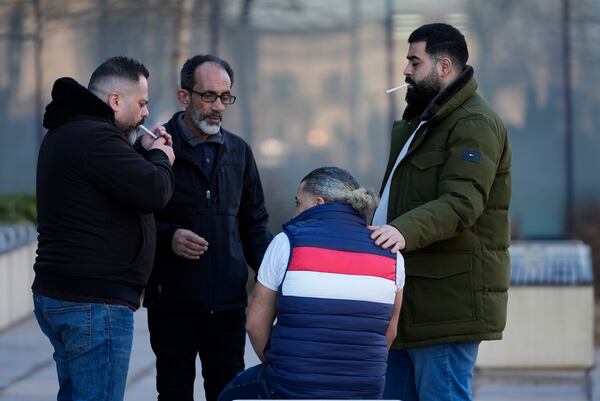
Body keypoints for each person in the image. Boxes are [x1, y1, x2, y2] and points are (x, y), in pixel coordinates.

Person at [369, 23, 512, 401]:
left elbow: (463, 202)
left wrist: (401, 230)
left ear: (444, 66)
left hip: (447, 305)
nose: (406, 72)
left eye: (414, 62)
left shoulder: (473, 123)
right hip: (411, 301)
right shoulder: (427, 122)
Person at [32, 56, 175, 401]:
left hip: (66, 293)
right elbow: (155, 190)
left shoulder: (71, 131)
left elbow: (114, 182)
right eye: (141, 103)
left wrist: (141, 151)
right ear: (115, 100)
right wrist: (161, 158)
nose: (145, 114)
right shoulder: (96, 138)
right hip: (94, 303)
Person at [143, 54, 272, 401]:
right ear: (184, 97)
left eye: (225, 96)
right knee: (174, 391)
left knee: (227, 391)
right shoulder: (155, 147)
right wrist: (169, 237)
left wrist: (279, 276)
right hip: (172, 302)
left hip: (229, 304)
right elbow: (134, 218)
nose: (219, 106)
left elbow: (255, 223)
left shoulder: (240, 152)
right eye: (209, 96)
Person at [218, 166, 405, 400]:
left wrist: (283, 367)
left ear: (318, 202)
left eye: (298, 203)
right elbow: (390, 331)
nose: (295, 213)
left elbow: (255, 324)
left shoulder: (287, 242)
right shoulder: (391, 253)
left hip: (293, 387)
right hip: (364, 390)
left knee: (229, 394)